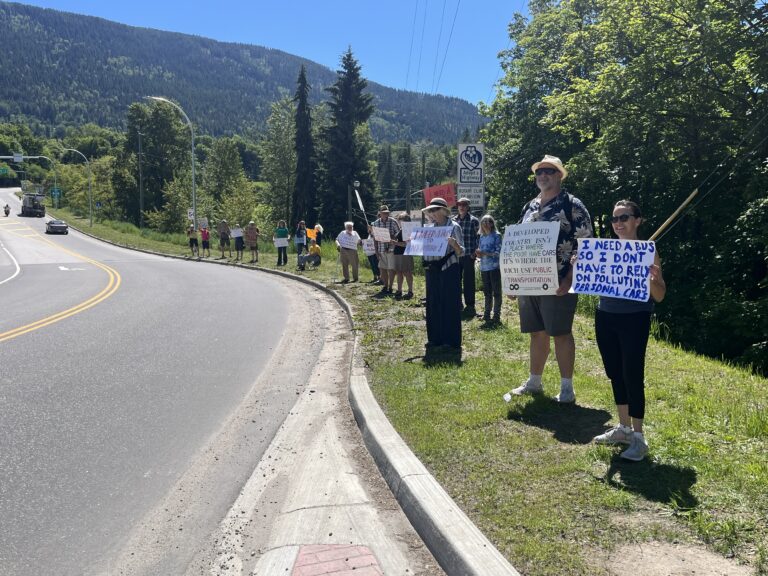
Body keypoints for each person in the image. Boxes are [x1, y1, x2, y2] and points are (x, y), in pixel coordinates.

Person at [503, 154, 593, 404]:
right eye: (539, 172)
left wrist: (569, 280)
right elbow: (518, 243)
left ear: (559, 175)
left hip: (559, 282)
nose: (543, 175)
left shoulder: (572, 205)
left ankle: (567, 388)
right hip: (529, 281)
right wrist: (513, 280)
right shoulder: (529, 206)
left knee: (561, 332)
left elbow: (585, 245)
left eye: (549, 171)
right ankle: (534, 381)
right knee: (536, 332)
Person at [590, 200, 666, 461]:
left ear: (637, 220)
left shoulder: (648, 251)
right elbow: (589, 282)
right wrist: (582, 267)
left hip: (635, 318)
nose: (618, 223)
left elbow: (659, 295)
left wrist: (654, 280)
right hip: (605, 315)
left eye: (624, 217)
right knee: (615, 372)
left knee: (632, 372)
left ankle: (638, 436)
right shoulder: (603, 250)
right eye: (614, 219)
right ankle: (622, 428)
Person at [422, 197, 464, 352]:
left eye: (434, 210)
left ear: (443, 211)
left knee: (449, 305)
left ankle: (450, 341)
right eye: (430, 211)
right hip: (431, 270)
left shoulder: (454, 227)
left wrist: (454, 244)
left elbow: (461, 252)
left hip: (448, 269)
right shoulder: (428, 228)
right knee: (433, 304)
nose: (432, 213)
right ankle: (434, 338)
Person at [453, 197, 480, 317]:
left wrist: (475, 253)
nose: (461, 206)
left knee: (469, 282)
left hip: (469, 255)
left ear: (468, 206)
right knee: (455, 281)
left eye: (464, 204)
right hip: (456, 256)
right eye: (459, 204)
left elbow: (479, 238)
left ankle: (470, 305)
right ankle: (458, 304)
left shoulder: (474, 220)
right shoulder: (453, 221)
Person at [476, 214, 502, 324]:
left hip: (494, 267)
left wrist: (485, 253)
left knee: (496, 292)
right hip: (484, 267)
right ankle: (486, 314)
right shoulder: (481, 237)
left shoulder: (497, 235)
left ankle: (496, 315)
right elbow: (481, 251)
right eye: (483, 221)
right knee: (487, 292)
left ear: (492, 224)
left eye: (488, 221)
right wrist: (478, 254)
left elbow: (498, 252)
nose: (486, 223)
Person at [368, 205, 400, 297]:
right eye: (384, 213)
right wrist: (376, 251)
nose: (386, 214)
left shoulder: (393, 222)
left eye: (387, 213)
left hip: (391, 249)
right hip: (381, 249)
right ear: (380, 213)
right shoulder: (376, 223)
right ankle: (385, 286)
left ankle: (390, 287)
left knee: (391, 269)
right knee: (382, 269)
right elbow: (375, 239)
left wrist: (390, 235)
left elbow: (398, 236)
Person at [392, 212, 414, 300]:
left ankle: (410, 291)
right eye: (399, 219)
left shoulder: (409, 229)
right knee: (399, 272)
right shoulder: (401, 229)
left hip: (405, 253)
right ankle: (399, 290)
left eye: (400, 219)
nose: (398, 221)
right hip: (397, 253)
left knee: (407, 272)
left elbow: (407, 244)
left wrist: (395, 242)